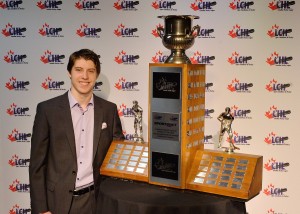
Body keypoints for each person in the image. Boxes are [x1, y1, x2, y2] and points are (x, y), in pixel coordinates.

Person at [29, 49, 124, 214]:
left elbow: (117, 157)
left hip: (97, 201)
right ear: (69, 73)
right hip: (57, 203)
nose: (85, 76)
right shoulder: (47, 110)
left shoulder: (109, 110)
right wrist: (42, 209)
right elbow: (37, 165)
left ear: (97, 75)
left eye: (91, 71)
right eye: (79, 70)